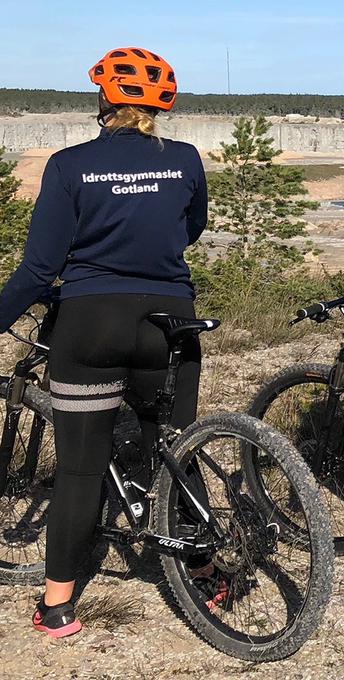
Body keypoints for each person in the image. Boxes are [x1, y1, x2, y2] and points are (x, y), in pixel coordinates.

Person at [0, 47, 210, 637]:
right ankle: (206, 567)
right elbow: (187, 229)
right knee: (176, 448)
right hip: (171, 318)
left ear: (104, 100)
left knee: (80, 470)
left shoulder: (70, 166)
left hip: (90, 321)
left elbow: (38, 272)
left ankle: (58, 606)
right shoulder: (187, 160)